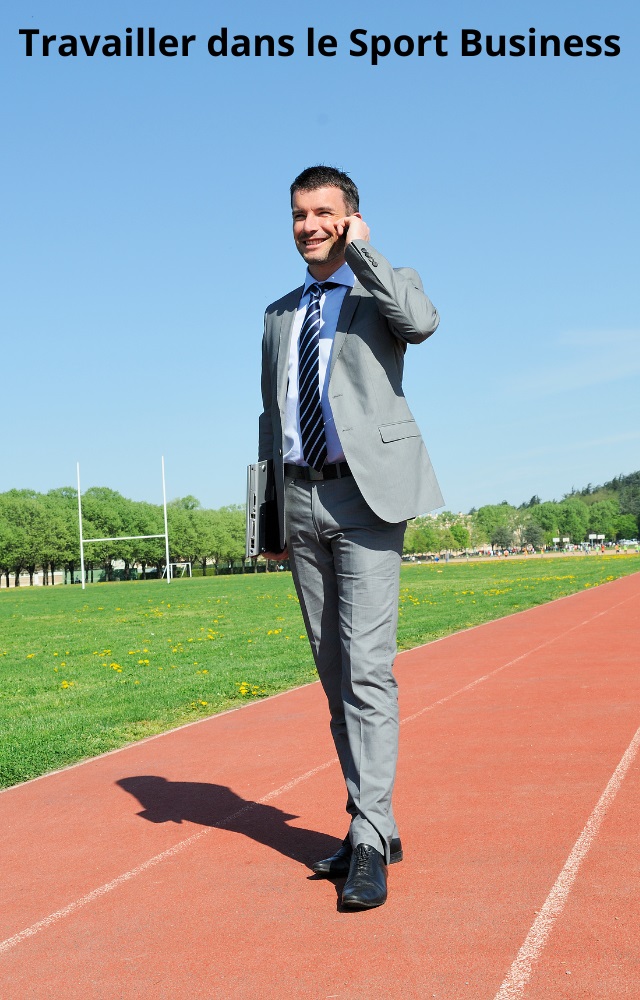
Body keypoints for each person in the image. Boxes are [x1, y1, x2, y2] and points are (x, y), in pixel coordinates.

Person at [258, 165, 442, 909]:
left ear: (351, 218)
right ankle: (375, 820)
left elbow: (422, 324)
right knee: (335, 674)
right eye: (300, 214)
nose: (309, 225)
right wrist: (266, 516)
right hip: (299, 502)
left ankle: (369, 839)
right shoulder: (278, 313)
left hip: (366, 498)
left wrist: (366, 252)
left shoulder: (380, 286)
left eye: (324, 213)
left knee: (368, 670)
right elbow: (271, 418)